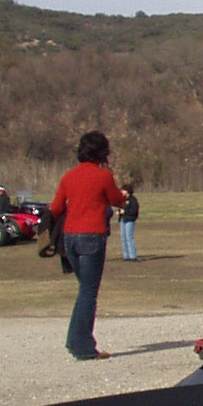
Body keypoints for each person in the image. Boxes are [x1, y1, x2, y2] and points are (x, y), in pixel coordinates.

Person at [48, 130, 127, 361]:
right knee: (89, 292)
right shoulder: (103, 176)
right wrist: (123, 195)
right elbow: (116, 200)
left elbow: (55, 207)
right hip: (92, 235)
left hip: (69, 237)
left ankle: (76, 340)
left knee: (84, 290)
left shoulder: (69, 176)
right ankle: (82, 345)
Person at [118, 181, 140, 261]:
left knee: (129, 237)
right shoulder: (123, 199)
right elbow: (121, 207)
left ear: (127, 191)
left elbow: (134, 211)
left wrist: (125, 212)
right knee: (123, 237)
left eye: (123, 190)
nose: (121, 192)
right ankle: (126, 255)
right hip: (123, 219)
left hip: (130, 220)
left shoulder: (133, 200)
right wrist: (119, 211)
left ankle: (133, 256)